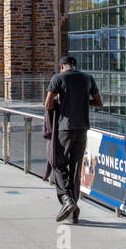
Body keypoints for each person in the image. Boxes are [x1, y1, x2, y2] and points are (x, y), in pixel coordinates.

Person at [44, 56, 103, 224]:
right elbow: (99, 103)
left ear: (62, 66)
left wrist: (61, 103)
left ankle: (67, 200)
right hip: (82, 128)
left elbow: (48, 104)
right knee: (75, 169)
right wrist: (83, 103)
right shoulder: (88, 78)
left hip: (64, 128)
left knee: (58, 164)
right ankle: (73, 214)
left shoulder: (58, 78)